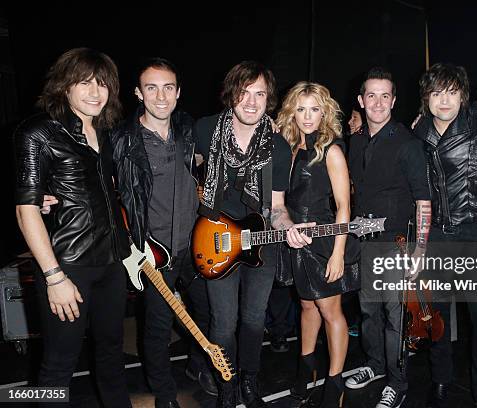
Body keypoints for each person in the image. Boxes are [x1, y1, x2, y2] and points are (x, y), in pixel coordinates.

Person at [14, 48, 131, 407]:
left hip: (112, 264)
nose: (95, 92)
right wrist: (54, 277)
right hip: (69, 266)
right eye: (84, 83)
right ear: (65, 87)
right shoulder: (38, 132)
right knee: (57, 368)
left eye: (102, 84)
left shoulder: (107, 132)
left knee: (112, 357)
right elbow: (25, 209)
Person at [193, 61, 313, 408]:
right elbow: (183, 170)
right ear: (231, 94)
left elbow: (276, 207)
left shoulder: (276, 146)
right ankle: (226, 385)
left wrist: (288, 227)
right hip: (214, 242)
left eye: (260, 94)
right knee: (222, 324)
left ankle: (249, 380)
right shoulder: (204, 129)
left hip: (261, 244)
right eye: (244, 93)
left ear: (268, 100)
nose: (251, 102)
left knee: (253, 319)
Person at [111, 57, 213, 407]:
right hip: (153, 253)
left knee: (209, 315)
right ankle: (165, 396)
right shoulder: (122, 140)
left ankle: (198, 366)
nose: (160, 96)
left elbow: (229, 137)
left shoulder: (189, 129)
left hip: (194, 246)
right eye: (151, 87)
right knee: (156, 329)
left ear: (178, 92)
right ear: (138, 93)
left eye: (168, 87)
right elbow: (94, 181)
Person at [412, 63, 477, 408]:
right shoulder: (417, 135)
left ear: (464, 95)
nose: (443, 100)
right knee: (437, 319)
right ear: (426, 98)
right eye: (436, 93)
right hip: (436, 236)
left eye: (451, 92)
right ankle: (441, 380)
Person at [344, 67, 431, 408]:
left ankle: (398, 382)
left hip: (397, 244)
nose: (377, 102)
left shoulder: (409, 145)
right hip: (366, 243)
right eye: (371, 95)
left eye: (385, 96)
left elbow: (424, 200)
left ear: (393, 100)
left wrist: (420, 249)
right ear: (360, 100)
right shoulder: (356, 141)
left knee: (396, 318)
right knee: (368, 312)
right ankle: (376, 365)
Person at [276, 82, 360, 407]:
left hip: (326, 240)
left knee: (330, 310)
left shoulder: (332, 149)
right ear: (291, 112)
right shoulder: (289, 148)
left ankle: (334, 383)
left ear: (324, 111)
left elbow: (343, 206)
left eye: (314, 109)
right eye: (301, 109)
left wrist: (338, 252)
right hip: (297, 238)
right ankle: (306, 368)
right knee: (307, 305)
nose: (307, 116)